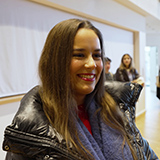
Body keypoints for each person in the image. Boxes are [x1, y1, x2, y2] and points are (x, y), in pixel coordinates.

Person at [2, 19, 158, 160]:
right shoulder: (30, 129)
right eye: (79, 55)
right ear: (55, 61)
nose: (92, 64)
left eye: (97, 55)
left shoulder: (116, 106)